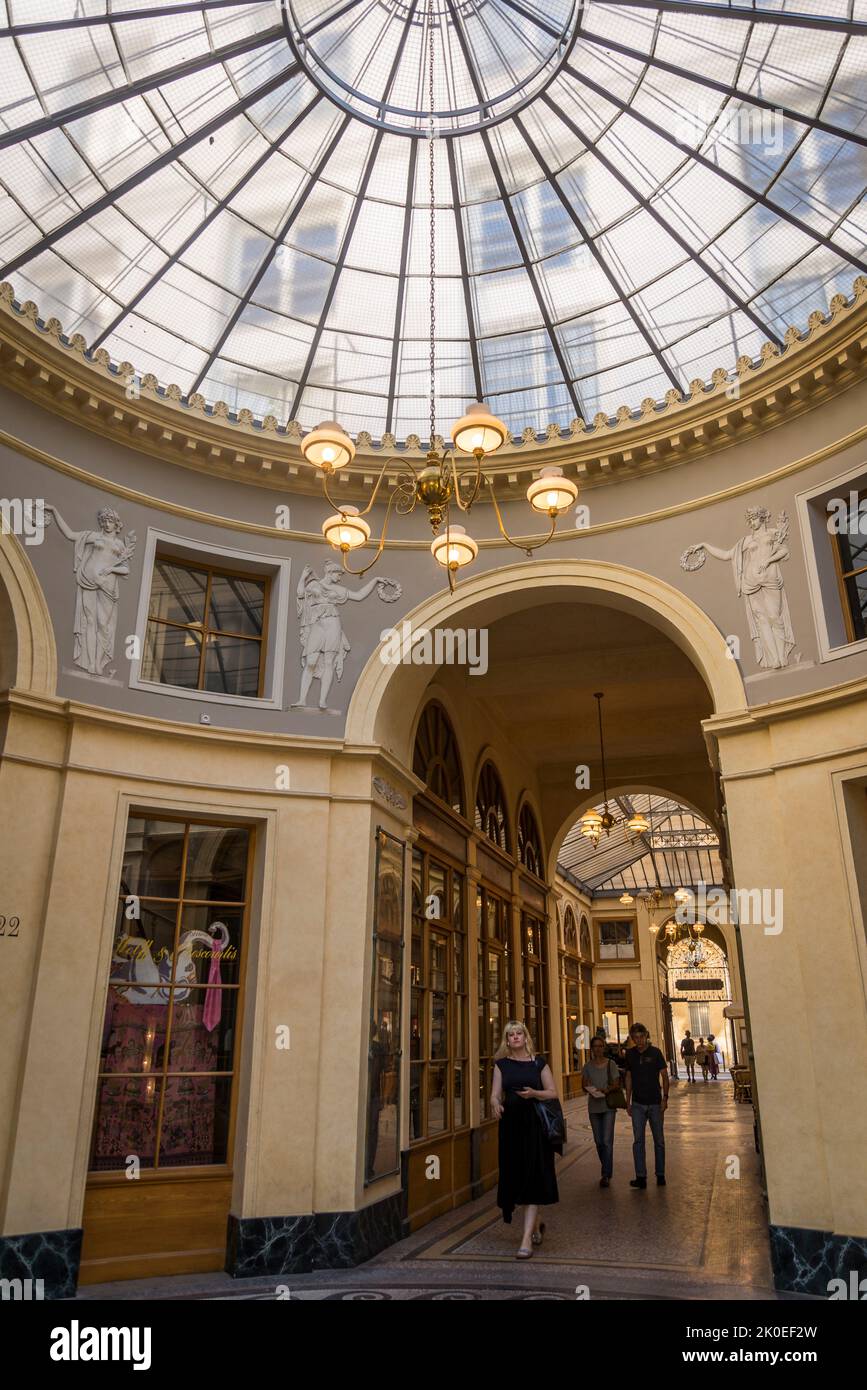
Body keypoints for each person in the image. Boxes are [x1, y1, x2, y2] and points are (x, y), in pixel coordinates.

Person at [491, 1020, 559, 1258]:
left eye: (519, 1033)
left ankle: (525, 1242)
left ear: (526, 1037)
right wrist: (495, 1105)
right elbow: (494, 1094)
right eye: (511, 1035)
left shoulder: (538, 1063)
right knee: (516, 1178)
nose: (516, 1037)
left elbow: (553, 1092)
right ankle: (536, 1222)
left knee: (533, 1177)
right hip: (511, 1129)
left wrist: (534, 1094)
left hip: (535, 1128)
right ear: (507, 1041)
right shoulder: (501, 1065)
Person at [624, 1022, 669, 1188]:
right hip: (637, 1104)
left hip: (655, 1103)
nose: (639, 1040)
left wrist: (665, 1098)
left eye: (641, 1036)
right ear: (632, 1039)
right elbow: (628, 1077)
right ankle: (641, 1176)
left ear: (646, 1035)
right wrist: (627, 1101)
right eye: (635, 1038)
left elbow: (664, 1076)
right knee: (638, 1141)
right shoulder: (630, 1054)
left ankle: (660, 1174)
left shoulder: (656, 1053)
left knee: (659, 1140)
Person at [582, 1035, 621, 1187]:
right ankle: (606, 1168)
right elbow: (583, 1086)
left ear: (603, 1047)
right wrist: (588, 1086)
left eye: (600, 1046)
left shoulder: (611, 1064)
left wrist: (606, 1089)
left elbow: (617, 1084)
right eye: (595, 1046)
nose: (597, 1049)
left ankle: (606, 1173)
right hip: (593, 1107)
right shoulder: (587, 1066)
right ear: (591, 1049)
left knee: (606, 1140)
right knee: (598, 1142)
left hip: (608, 1106)